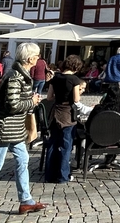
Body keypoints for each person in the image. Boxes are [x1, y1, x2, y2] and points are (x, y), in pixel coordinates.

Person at [0, 42, 47, 222]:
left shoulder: (21, 74)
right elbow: (12, 105)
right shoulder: (15, 76)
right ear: (30, 58)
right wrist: (32, 102)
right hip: (4, 128)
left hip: (14, 129)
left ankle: (25, 199)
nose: (39, 58)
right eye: (37, 55)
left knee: (23, 159)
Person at [44, 55, 84, 183]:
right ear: (76, 67)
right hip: (68, 114)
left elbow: (49, 97)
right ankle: (63, 176)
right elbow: (76, 99)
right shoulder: (75, 79)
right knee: (66, 146)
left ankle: (49, 175)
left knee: (53, 144)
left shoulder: (55, 78)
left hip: (56, 112)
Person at [86, 83, 120, 169]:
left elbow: (88, 125)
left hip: (96, 142)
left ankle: (107, 159)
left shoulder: (98, 108)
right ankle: (111, 159)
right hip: (117, 142)